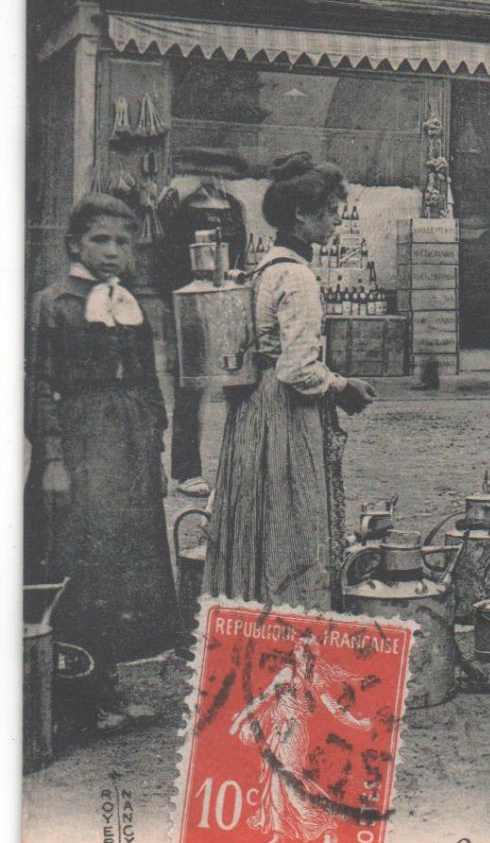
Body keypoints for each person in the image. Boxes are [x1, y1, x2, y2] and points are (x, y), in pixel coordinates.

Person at [24, 194, 178, 733]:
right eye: (101, 240)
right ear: (74, 244)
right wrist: (52, 459)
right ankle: (73, 699)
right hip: (82, 447)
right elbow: (40, 384)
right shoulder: (54, 303)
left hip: (129, 451)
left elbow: (146, 381)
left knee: (121, 569)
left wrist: (155, 451)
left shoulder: (131, 303)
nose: (113, 252)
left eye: (123, 242)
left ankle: (107, 689)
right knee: (78, 566)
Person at [202, 153, 375, 609]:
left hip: (254, 408)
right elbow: (298, 369)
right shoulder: (297, 277)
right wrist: (341, 386)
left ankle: (254, 615)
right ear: (302, 214)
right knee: (291, 521)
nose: (337, 220)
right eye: (332, 210)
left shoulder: (267, 266)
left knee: (258, 518)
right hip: (283, 413)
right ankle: (293, 624)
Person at [230, 631, 373, 843]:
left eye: (299, 649)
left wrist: (359, 724)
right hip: (278, 730)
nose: (296, 652)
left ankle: (327, 829)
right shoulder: (288, 673)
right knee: (274, 781)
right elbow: (264, 698)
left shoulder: (314, 678)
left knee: (289, 781)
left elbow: (334, 709)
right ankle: (278, 837)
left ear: (303, 653)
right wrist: (239, 720)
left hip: (294, 732)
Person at [157, 155, 249, 498]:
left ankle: (239, 465)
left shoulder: (235, 208)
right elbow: (165, 263)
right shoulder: (182, 210)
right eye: (207, 171)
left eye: (220, 172)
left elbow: (241, 256)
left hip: (227, 306)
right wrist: (179, 303)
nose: (214, 178)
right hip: (190, 307)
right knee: (189, 390)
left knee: (238, 385)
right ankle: (186, 470)